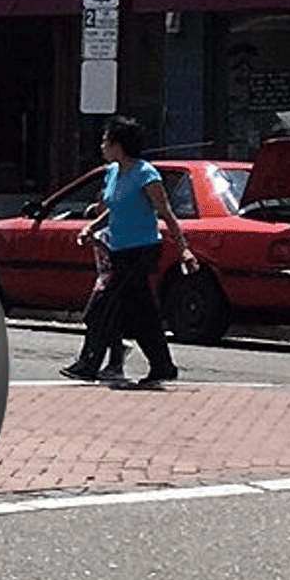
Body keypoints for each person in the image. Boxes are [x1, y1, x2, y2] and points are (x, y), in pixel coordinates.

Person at [87, 115, 197, 390]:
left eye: (106, 141)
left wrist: (184, 249)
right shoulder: (113, 172)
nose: (102, 146)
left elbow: (166, 213)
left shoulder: (146, 174)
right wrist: (91, 226)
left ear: (118, 145)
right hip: (118, 249)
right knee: (142, 312)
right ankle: (162, 365)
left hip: (142, 249)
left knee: (105, 305)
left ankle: (88, 363)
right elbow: (115, 209)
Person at [57, 202, 127, 382]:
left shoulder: (115, 230)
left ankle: (90, 363)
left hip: (111, 279)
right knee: (107, 321)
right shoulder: (101, 229)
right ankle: (113, 360)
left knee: (95, 317)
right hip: (104, 278)